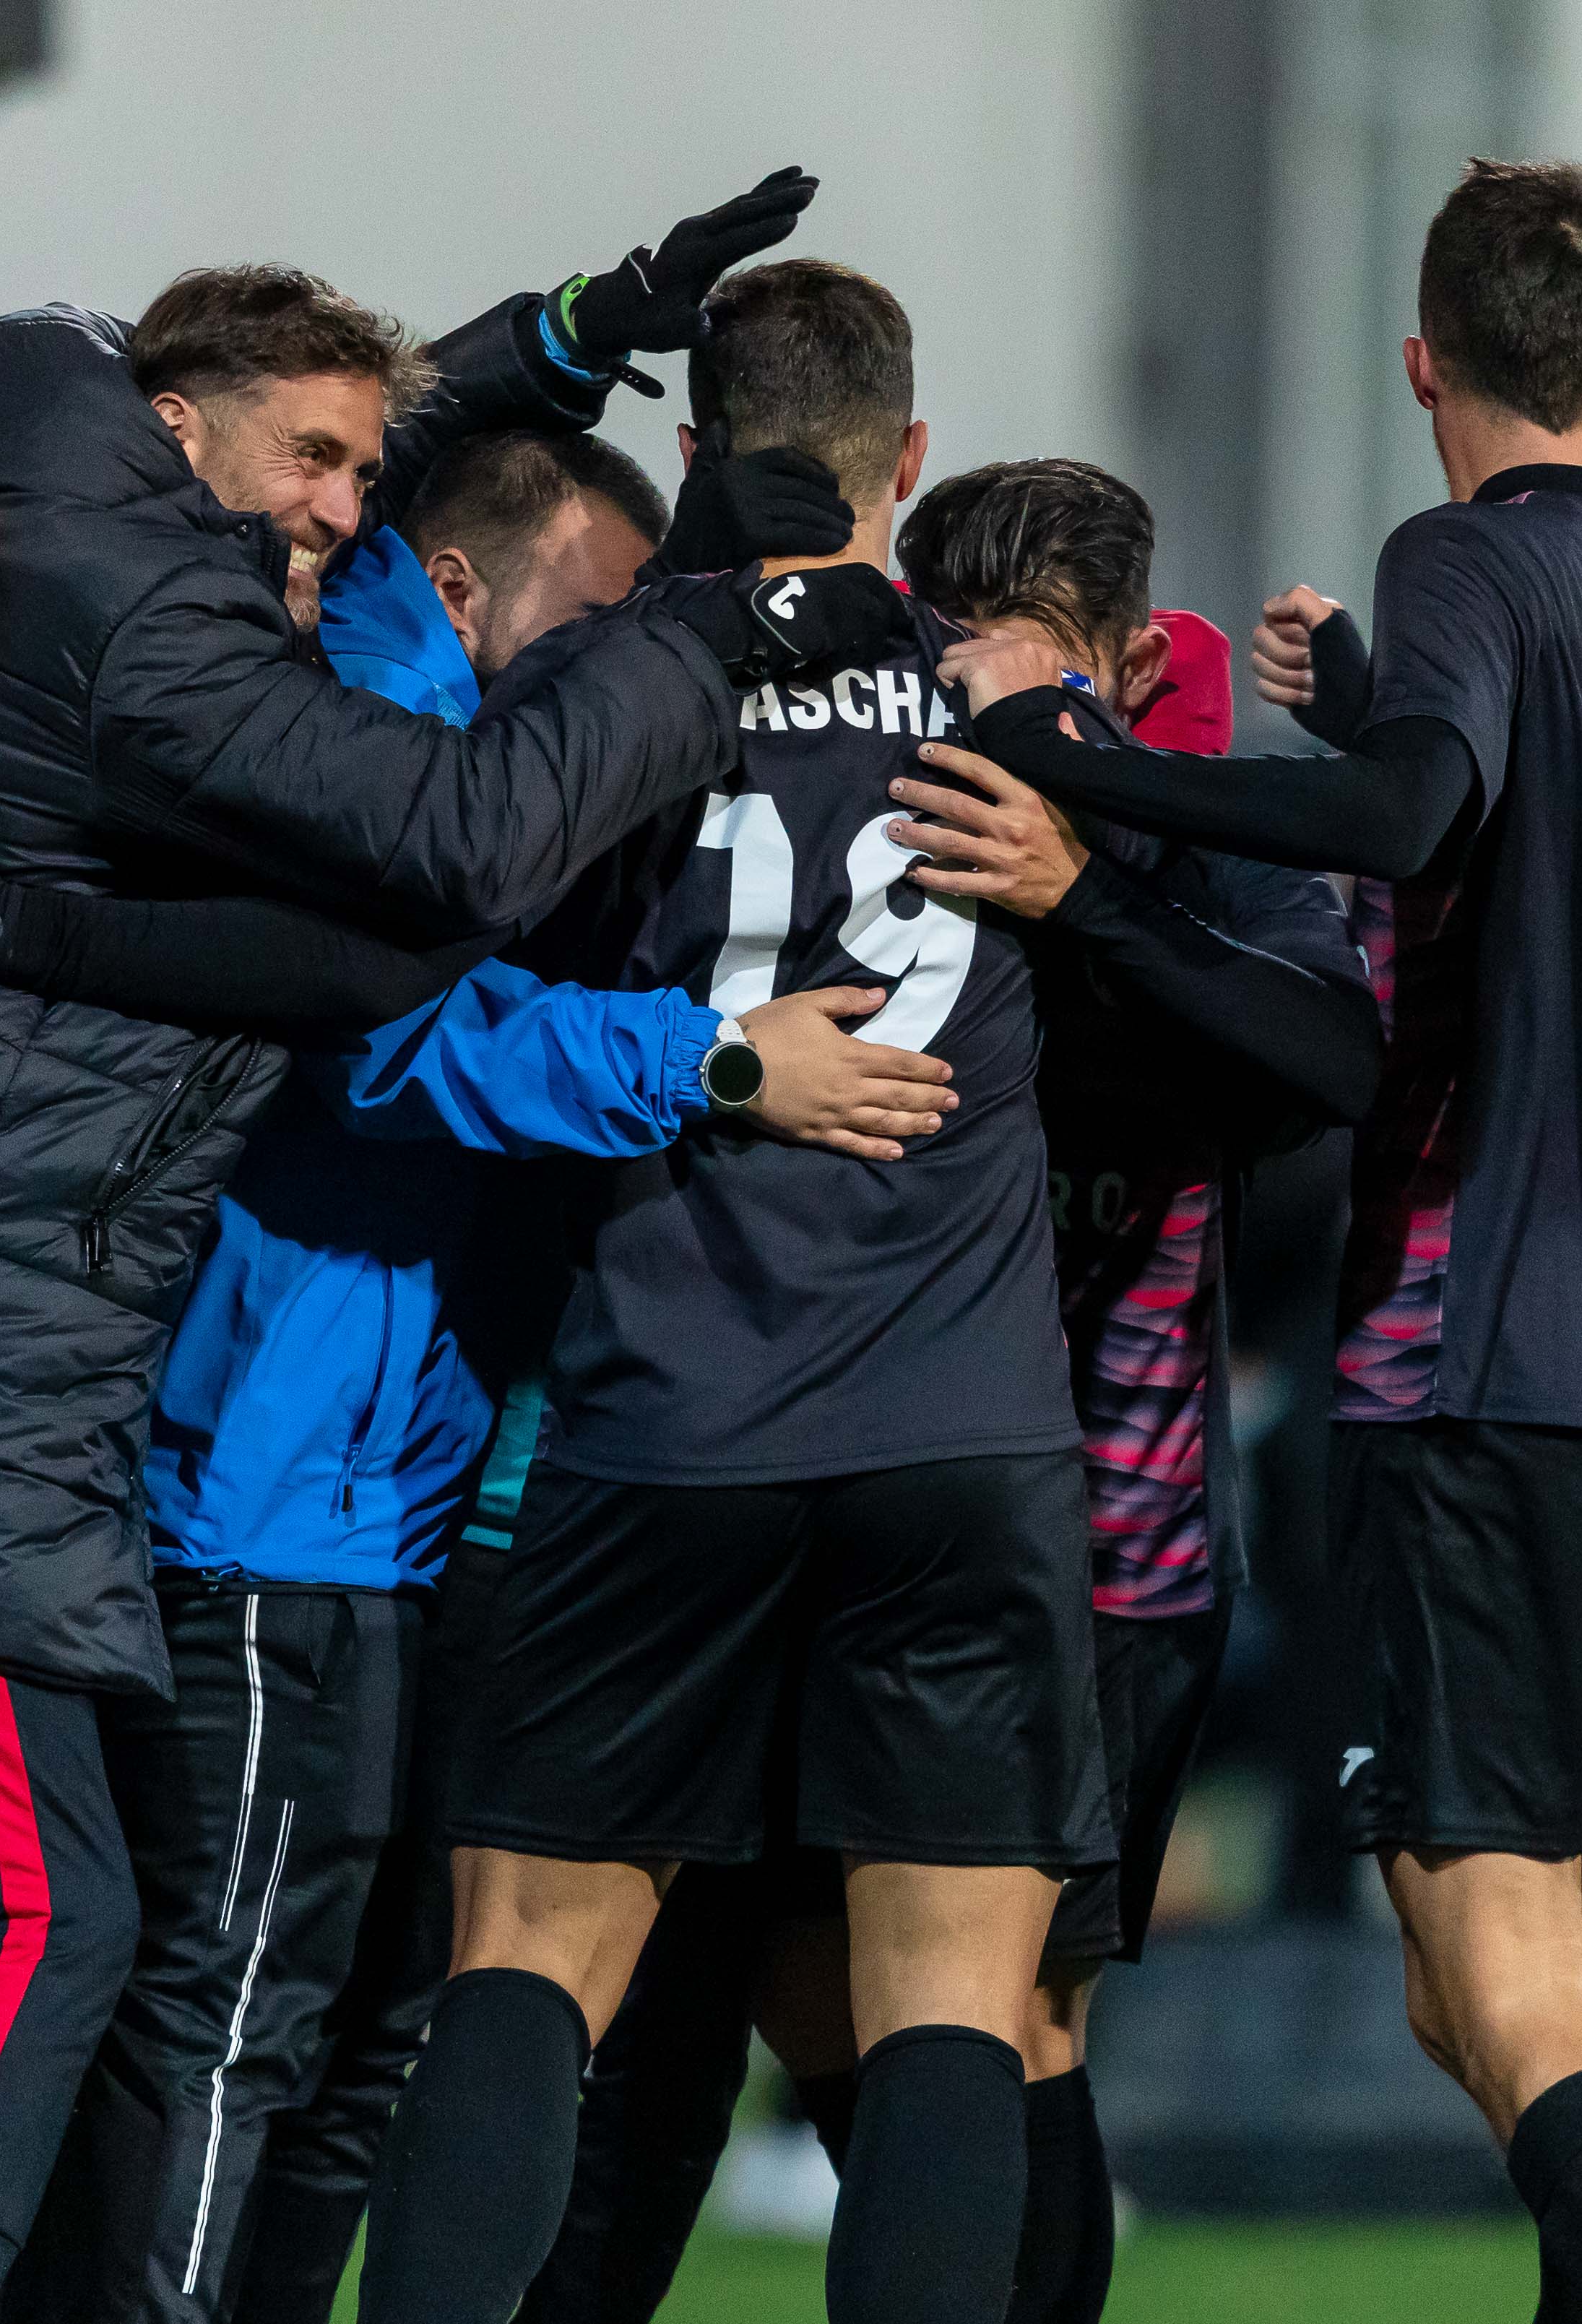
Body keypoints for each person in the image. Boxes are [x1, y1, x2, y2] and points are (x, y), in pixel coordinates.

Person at [0, 188, 911, 2324]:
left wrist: (577, 325)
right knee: (71, 1937)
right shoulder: (179, 643)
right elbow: (437, 900)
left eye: (373, 476)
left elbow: (344, 867)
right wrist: (712, 643)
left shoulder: (120, 547)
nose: (345, 510)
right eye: (319, 471)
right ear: (171, 434)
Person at [0, 426, 951, 2324]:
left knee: (367, 2045)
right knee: (232, 2021)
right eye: (594, 624)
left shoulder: (484, 776)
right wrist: (721, 1058)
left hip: (409, 1512)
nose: (616, 683)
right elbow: (385, 1036)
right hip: (268, 1503)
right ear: (453, 586)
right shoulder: (360, 752)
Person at [913, 159, 1582, 2323]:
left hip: (1499, 1339)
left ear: (1423, 364)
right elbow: (1536, 852)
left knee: (1481, 1983)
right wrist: (1384, 698)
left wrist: (1095, 775)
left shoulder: (1470, 552)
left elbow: (1411, 827)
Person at [504, 463, 1380, 2324]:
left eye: (1044, 690)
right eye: (966, 674)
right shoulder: (853, 800)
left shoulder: (1190, 839)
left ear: (1132, 670)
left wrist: (1083, 900)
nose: (999, 727)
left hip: (1090, 1564)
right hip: (834, 1491)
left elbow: (1325, 1062)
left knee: (999, 2025)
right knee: (719, 1998)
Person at [358, 259, 1115, 2324]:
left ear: (693, 458)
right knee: (949, 1995)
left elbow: (434, 952)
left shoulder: (630, 685)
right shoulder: (1014, 717)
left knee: (528, 1952)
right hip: (965, 1434)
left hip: (667, 1415)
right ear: (912, 461)